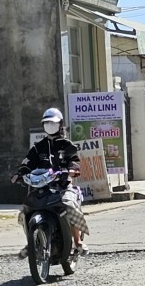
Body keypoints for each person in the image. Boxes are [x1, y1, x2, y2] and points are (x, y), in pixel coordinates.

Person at [12, 108, 89, 258]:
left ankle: (78, 242)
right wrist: (20, 173)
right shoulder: (38, 147)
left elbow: (74, 161)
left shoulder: (67, 145)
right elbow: (28, 163)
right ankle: (31, 243)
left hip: (62, 187)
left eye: (53, 123)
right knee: (24, 212)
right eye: (46, 123)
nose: (50, 126)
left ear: (60, 124)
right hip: (42, 187)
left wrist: (72, 170)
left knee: (69, 205)